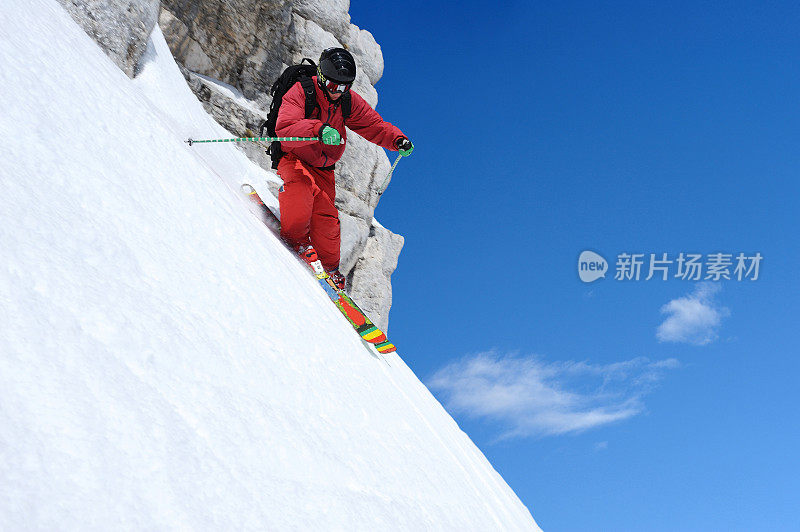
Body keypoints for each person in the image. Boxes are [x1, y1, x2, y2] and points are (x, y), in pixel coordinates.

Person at [275, 47, 413, 291]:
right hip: (295, 159)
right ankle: (296, 241)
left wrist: (396, 139)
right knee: (301, 191)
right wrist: (316, 129)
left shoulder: (347, 101)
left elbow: (375, 126)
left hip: (324, 169)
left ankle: (330, 270)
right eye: (332, 86)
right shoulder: (302, 91)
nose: (338, 92)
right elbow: (285, 129)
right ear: (321, 76)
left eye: (344, 87)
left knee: (327, 222)